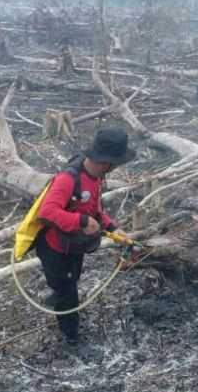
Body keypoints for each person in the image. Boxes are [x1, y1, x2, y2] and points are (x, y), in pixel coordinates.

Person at [36, 127, 135, 344]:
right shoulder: (68, 179)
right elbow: (47, 212)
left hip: (74, 245)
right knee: (68, 294)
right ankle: (71, 338)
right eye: (115, 164)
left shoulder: (95, 178)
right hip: (55, 248)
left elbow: (94, 211)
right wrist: (80, 222)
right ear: (106, 162)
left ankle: (58, 293)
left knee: (72, 278)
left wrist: (112, 228)